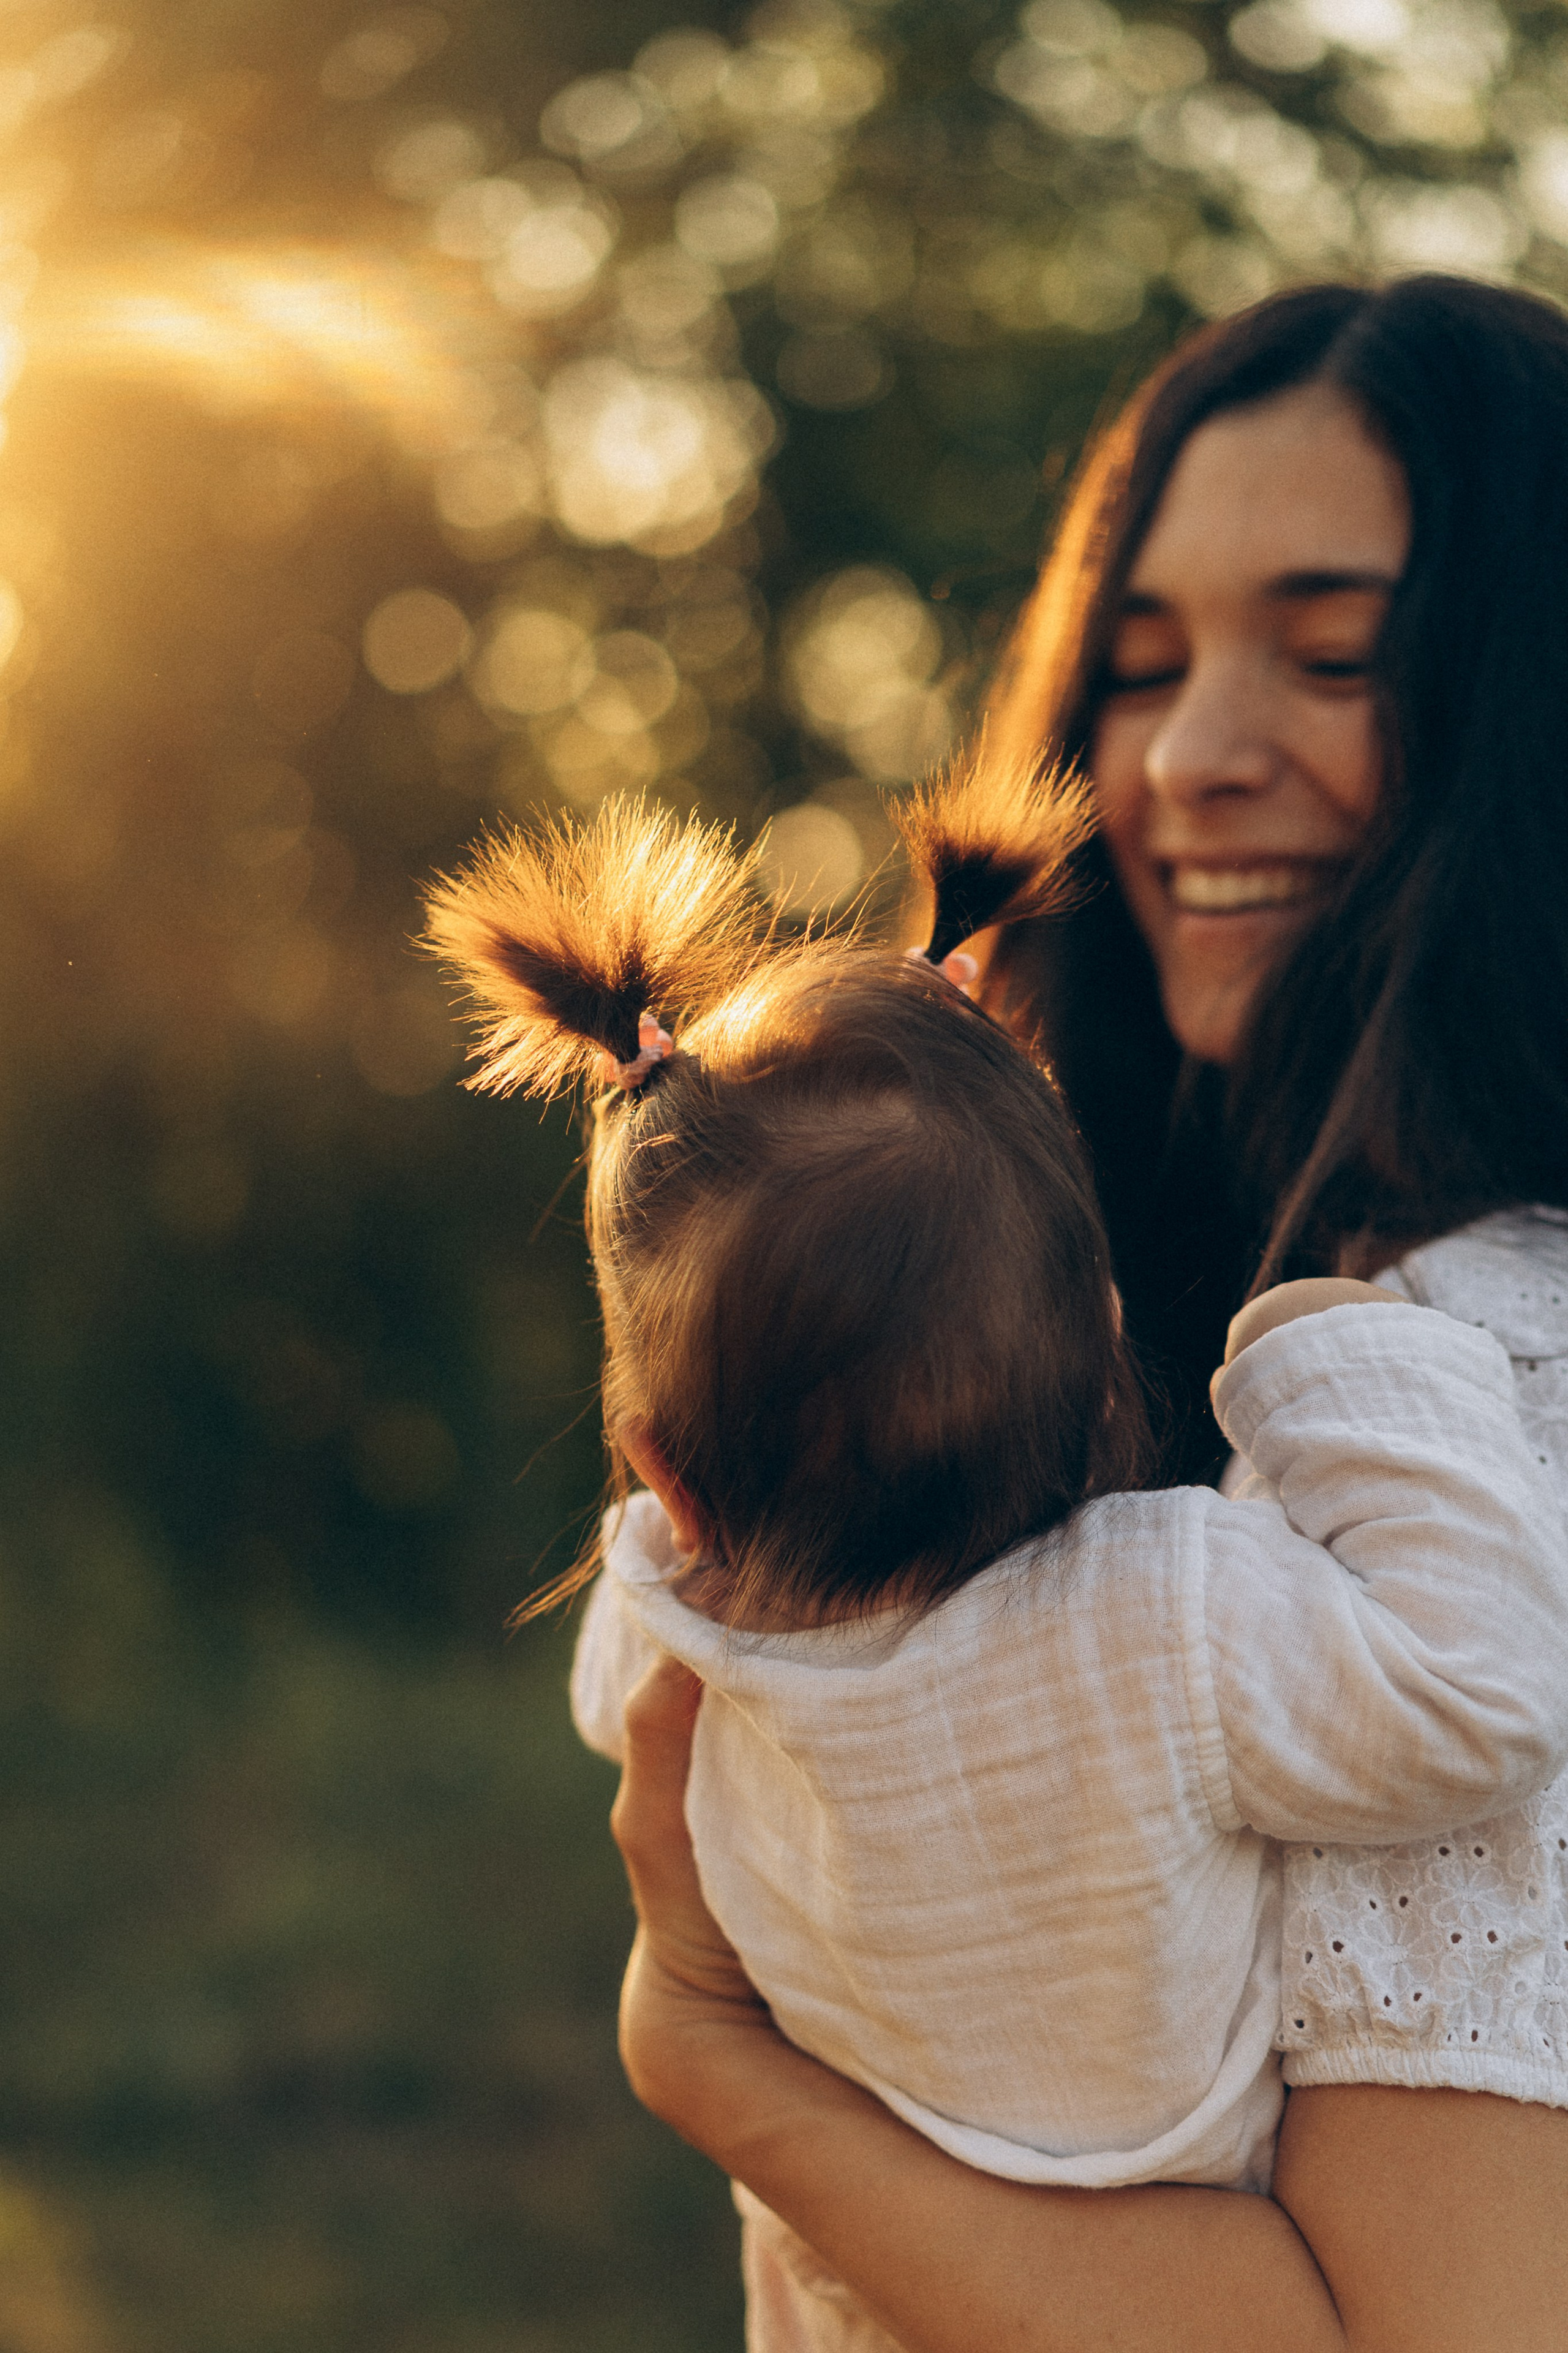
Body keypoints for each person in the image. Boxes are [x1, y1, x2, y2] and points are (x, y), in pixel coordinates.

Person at [600, 273, 1568, 2351]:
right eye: (1137, 670)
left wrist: (712, 2060)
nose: (1189, 761)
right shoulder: (1139, 1364)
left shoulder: (1489, 1395)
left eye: (1334, 654)